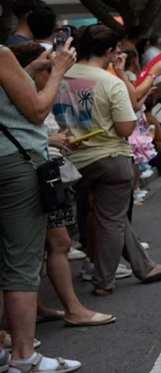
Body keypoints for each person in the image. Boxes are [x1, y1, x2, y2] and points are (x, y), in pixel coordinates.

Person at [55, 26, 161, 296]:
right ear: (111, 51)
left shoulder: (61, 75)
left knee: (109, 216)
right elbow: (125, 128)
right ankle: (104, 281)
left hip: (72, 158)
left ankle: (144, 266)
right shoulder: (110, 82)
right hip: (110, 156)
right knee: (112, 219)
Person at [1, 38, 84, 373]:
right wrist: (58, 71)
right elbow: (37, 109)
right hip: (13, 164)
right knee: (21, 261)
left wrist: (29, 70)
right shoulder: (1, 54)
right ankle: (23, 356)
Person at [19, 50, 114, 327]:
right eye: (47, 70)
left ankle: (39, 307)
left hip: (44, 171)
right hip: (36, 174)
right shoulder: (25, 96)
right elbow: (31, 127)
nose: (55, 76)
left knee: (45, 247)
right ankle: (71, 309)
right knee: (54, 245)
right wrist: (52, 139)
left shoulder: (33, 95)